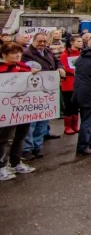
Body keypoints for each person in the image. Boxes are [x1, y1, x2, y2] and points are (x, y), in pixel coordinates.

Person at [21, 32, 66, 160]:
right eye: (39, 41)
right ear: (33, 40)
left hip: (47, 91)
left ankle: (37, 146)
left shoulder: (47, 51)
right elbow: (23, 68)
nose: (42, 44)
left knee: (42, 121)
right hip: (33, 91)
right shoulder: (27, 53)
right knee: (31, 122)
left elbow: (57, 62)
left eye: (44, 42)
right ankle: (27, 149)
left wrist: (60, 68)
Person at [0, 42, 39, 179]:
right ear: (4, 55)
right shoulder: (2, 69)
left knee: (20, 136)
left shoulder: (23, 67)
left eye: (19, 52)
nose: (17, 55)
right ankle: (1, 166)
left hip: (23, 110)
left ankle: (15, 162)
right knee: (5, 139)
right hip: (6, 110)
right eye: (13, 53)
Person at [60, 36, 82, 134]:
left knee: (76, 105)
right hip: (68, 81)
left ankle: (75, 125)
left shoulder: (81, 53)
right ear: (72, 42)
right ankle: (67, 126)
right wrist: (77, 71)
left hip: (79, 81)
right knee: (68, 104)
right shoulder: (65, 54)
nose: (81, 43)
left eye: (81, 41)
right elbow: (64, 66)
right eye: (78, 41)